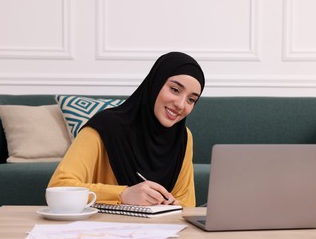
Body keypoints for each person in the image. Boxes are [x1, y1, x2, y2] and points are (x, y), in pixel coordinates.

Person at [48, 52, 205, 207]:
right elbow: (58, 187)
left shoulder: (183, 137)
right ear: (155, 83)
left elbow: (186, 201)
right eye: (175, 90)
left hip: (162, 229)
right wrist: (122, 194)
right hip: (105, 228)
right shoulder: (104, 127)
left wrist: (174, 205)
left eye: (191, 100)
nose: (181, 104)